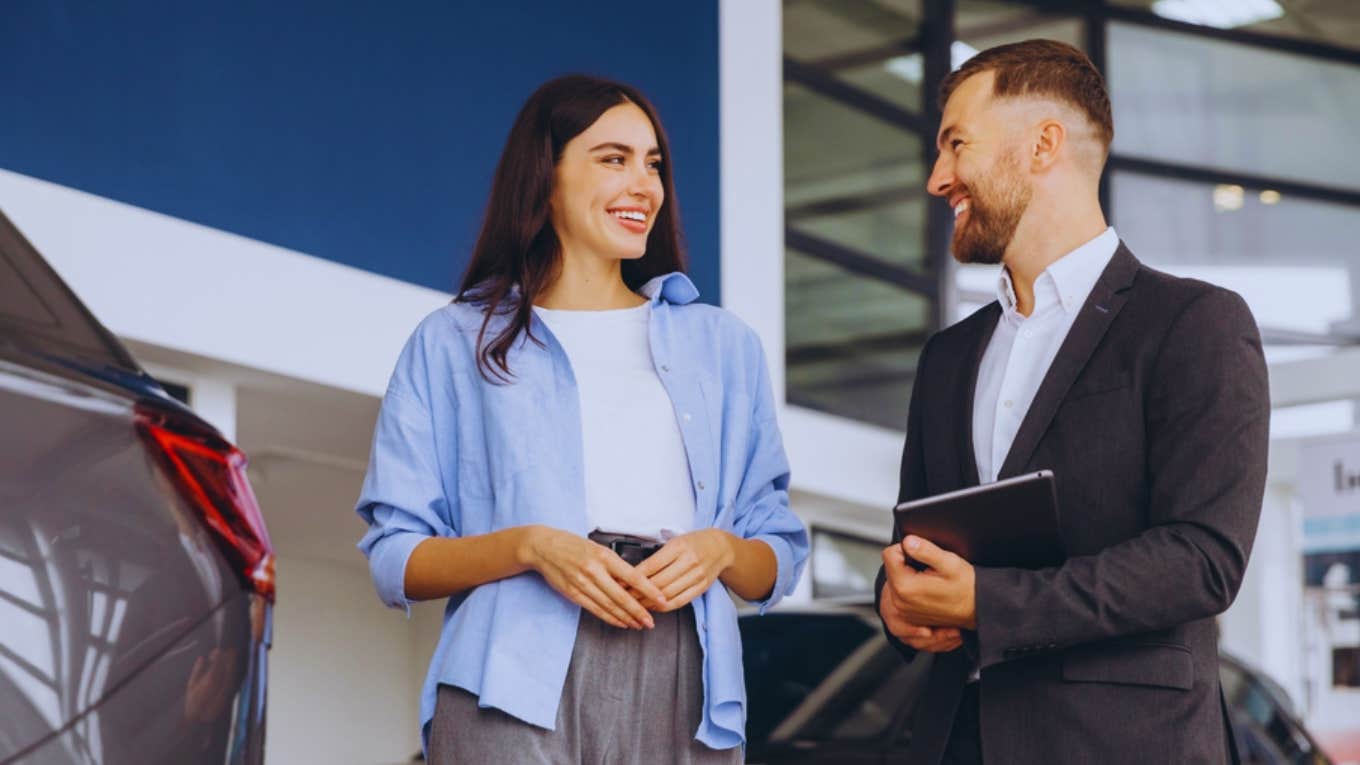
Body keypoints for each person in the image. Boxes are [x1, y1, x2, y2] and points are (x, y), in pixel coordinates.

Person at [355, 74, 808, 764]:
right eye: (613, 158)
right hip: (508, 682)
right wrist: (532, 546)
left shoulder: (723, 346)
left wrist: (719, 548)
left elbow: (775, 554)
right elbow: (396, 557)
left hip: (685, 676)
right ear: (547, 177)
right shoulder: (452, 341)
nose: (644, 184)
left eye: (653, 163)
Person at [874, 39, 1269, 764]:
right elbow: (916, 534)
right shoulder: (946, 359)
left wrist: (986, 603)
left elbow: (1203, 557)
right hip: (955, 738)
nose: (937, 178)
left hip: (1121, 744)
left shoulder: (1193, 323)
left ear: (1043, 145)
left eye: (956, 144)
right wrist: (897, 602)